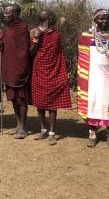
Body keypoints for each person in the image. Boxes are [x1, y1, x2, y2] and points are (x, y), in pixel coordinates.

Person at [30, 10, 71, 145]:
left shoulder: (56, 34)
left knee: (52, 102)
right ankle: (43, 129)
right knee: (39, 101)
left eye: (48, 15)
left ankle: (52, 133)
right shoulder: (33, 32)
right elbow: (31, 52)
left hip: (53, 69)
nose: (51, 17)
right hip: (39, 69)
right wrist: (36, 38)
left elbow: (58, 54)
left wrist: (62, 71)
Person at [77, 9, 109, 147]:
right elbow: (81, 56)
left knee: (106, 102)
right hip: (92, 76)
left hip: (107, 76)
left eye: (106, 18)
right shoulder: (86, 36)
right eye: (100, 18)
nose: (104, 21)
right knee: (92, 102)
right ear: (95, 20)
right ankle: (92, 133)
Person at [2, 4, 31, 139]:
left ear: (15, 14)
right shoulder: (7, 29)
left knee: (21, 99)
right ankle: (18, 124)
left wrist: (22, 69)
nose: (5, 15)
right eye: (4, 13)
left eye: (7, 13)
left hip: (20, 69)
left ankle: (24, 128)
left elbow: (24, 51)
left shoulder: (22, 28)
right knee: (13, 98)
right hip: (9, 69)